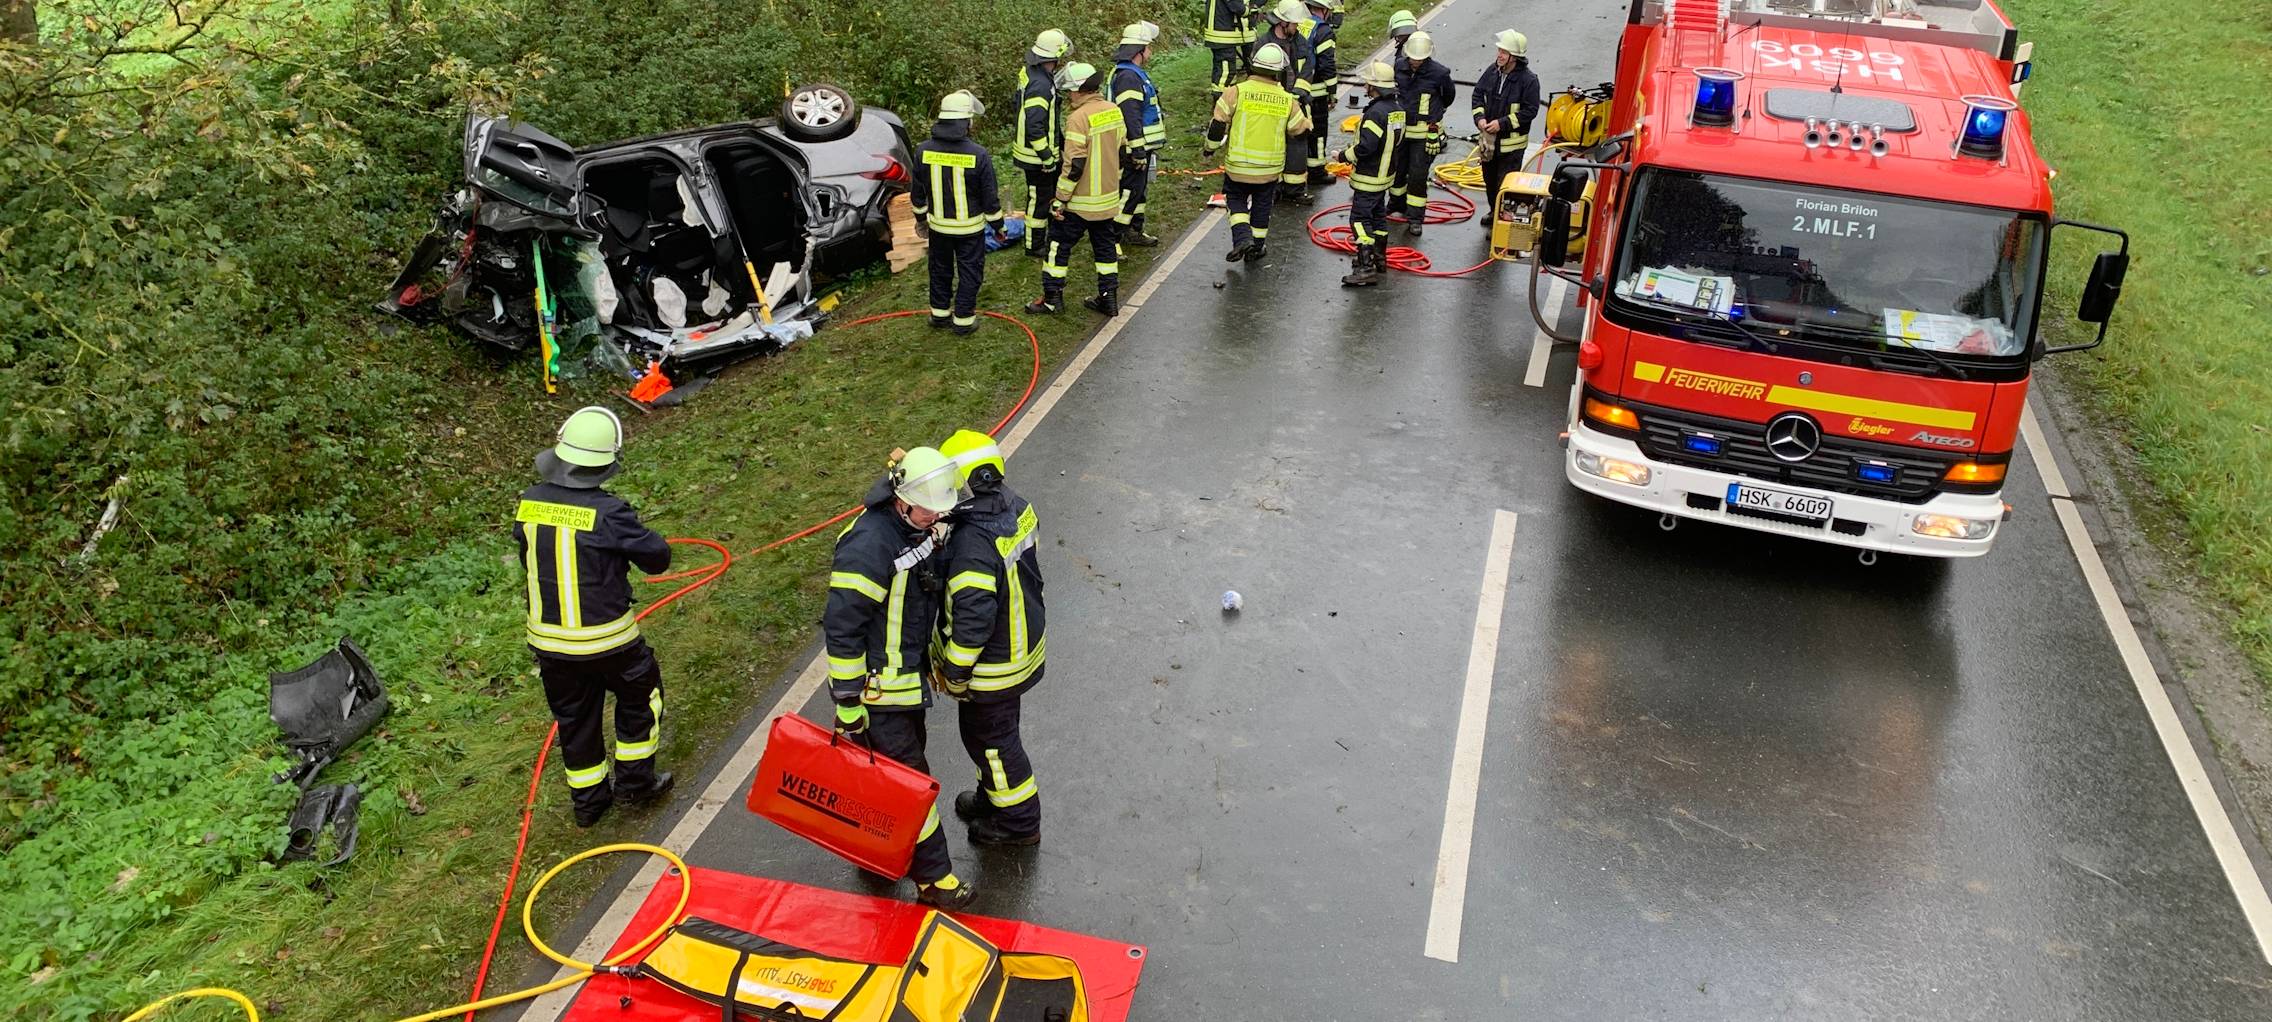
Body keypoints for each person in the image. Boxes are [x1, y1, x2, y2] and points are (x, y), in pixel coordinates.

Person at [823, 447, 973, 909]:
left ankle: (876, 853)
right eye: (928, 508)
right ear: (901, 499)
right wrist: (848, 704)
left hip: (906, 685)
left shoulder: (914, 525)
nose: (935, 515)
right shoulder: (869, 545)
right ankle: (934, 879)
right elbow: (842, 630)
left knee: (886, 780)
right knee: (912, 784)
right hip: (877, 692)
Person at [514, 407, 675, 828]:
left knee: (575, 719)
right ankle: (636, 785)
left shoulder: (529, 504)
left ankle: (590, 804)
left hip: (549, 646)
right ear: (603, 462)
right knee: (642, 700)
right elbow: (657, 558)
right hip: (609, 643)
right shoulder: (609, 512)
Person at [931, 430, 1048, 846]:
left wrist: (956, 672)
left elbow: (973, 619)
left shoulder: (971, 544)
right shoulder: (1015, 506)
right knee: (987, 738)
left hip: (992, 666)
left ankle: (1019, 824)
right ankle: (993, 797)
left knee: (995, 744)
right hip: (1020, 647)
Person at [1026, 62, 1127, 317]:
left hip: (1080, 203)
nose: (1069, 96)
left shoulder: (1078, 119)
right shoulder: (1114, 111)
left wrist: (1060, 200)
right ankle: (1109, 298)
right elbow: (1121, 153)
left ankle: (1052, 299)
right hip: (1107, 200)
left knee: (1057, 247)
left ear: (1079, 90)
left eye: (1070, 91)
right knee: (1105, 249)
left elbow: (1074, 165)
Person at [1205, 42, 1310, 262]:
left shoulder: (1236, 92)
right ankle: (1257, 246)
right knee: (1263, 204)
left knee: (1236, 199)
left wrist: (1210, 149)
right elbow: (1299, 130)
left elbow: (1217, 124)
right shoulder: (1287, 101)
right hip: (1269, 169)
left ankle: (1242, 238)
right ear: (1279, 71)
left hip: (1238, 166)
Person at [912, 90, 1006, 335]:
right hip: (969, 230)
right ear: (966, 122)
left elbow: (917, 193)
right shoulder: (978, 154)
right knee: (970, 272)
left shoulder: (923, 150)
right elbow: (990, 197)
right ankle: (963, 319)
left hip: (938, 228)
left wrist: (921, 220)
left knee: (940, 270)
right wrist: (998, 227)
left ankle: (939, 315)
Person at [1338, 61, 1405, 287]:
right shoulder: (1397, 110)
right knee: (1378, 218)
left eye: (1368, 83)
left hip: (1368, 177)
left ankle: (1365, 267)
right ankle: (1379, 258)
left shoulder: (1375, 113)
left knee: (1359, 220)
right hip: (1385, 177)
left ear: (1374, 87)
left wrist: (1343, 156)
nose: (1365, 86)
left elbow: (1366, 147)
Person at [1012, 30, 1072, 258]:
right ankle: (1034, 245)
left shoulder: (1032, 72)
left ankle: (1049, 233)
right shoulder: (1040, 85)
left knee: (1044, 195)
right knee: (1038, 200)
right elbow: (1035, 125)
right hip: (1036, 155)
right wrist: (1047, 157)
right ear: (1053, 56)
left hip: (1035, 151)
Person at [1390, 30, 1455, 238]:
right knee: (1397, 170)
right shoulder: (1399, 66)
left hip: (1423, 132)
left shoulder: (1439, 74)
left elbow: (1448, 96)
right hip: (1401, 130)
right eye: (1412, 59)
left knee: (1417, 175)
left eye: (1419, 60)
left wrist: (1435, 114)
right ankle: (1395, 204)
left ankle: (1415, 217)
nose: (1414, 63)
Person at [1252, 0, 1318, 205]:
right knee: (1271, 145)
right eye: (1294, 24)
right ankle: (1274, 188)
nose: (1297, 27)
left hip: (1295, 102)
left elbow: (1308, 68)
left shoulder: (1300, 42)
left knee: (1298, 143)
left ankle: (1295, 189)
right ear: (1282, 23)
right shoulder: (1263, 43)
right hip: (1271, 104)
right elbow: (1256, 74)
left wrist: (1298, 92)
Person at [1471, 29, 1542, 216]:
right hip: (1490, 143)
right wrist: (1480, 119)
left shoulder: (1529, 81)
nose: (1499, 55)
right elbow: (1478, 94)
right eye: (1499, 51)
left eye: (1503, 52)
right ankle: (1495, 212)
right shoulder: (1492, 71)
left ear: (1514, 57)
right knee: (1489, 181)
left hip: (1512, 148)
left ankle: (1503, 219)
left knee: (1505, 185)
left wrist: (1501, 124)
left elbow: (1530, 111)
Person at [1112, 22, 1166, 248]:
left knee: (1138, 192)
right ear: (1139, 51)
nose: (1151, 52)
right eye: (1148, 48)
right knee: (1128, 192)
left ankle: (1135, 229)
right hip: (1133, 148)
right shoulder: (1128, 77)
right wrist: (1137, 150)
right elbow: (1130, 117)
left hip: (1142, 145)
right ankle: (1113, 237)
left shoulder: (1133, 74)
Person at [1302, 0, 1342, 190]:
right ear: (1324, 9)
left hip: (1296, 89)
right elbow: (1327, 65)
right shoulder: (1323, 31)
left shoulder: (1300, 23)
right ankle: (1316, 172)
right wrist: (1332, 92)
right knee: (1317, 133)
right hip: (1316, 92)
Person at [1203, 0, 1255, 101]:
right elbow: (1236, 6)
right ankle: (1221, 104)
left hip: (1224, 31)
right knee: (1225, 73)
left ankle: (1226, 102)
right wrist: (1248, 11)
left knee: (1225, 71)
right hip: (1223, 33)